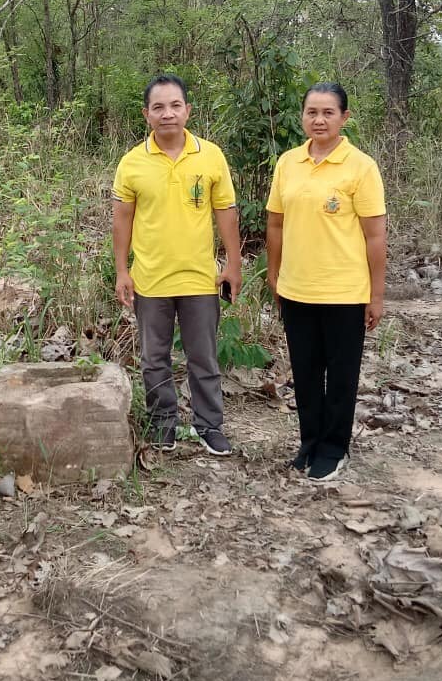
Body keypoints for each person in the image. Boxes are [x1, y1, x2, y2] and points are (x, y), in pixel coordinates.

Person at [112, 74, 242, 457]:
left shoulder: (211, 156)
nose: (167, 114)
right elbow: (122, 219)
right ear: (146, 114)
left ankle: (209, 425)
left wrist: (232, 264)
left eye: (174, 106)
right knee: (154, 359)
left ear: (187, 110)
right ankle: (163, 423)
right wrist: (122, 270)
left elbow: (226, 212)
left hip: (200, 278)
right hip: (151, 279)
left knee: (204, 357)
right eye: (158, 107)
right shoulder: (133, 162)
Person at [266, 81, 387, 482]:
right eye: (311, 112)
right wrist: (275, 273)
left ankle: (335, 448)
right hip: (297, 287)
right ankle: (310, 441)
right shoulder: (288, 163)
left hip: (344, 290)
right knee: (304, 371)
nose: (318, 120)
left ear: (344, 117)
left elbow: (375, 235)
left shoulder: (361, 167)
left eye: (328, 113)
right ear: (302, 117)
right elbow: (276, 223)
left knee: (340, 373)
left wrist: (376, 293)